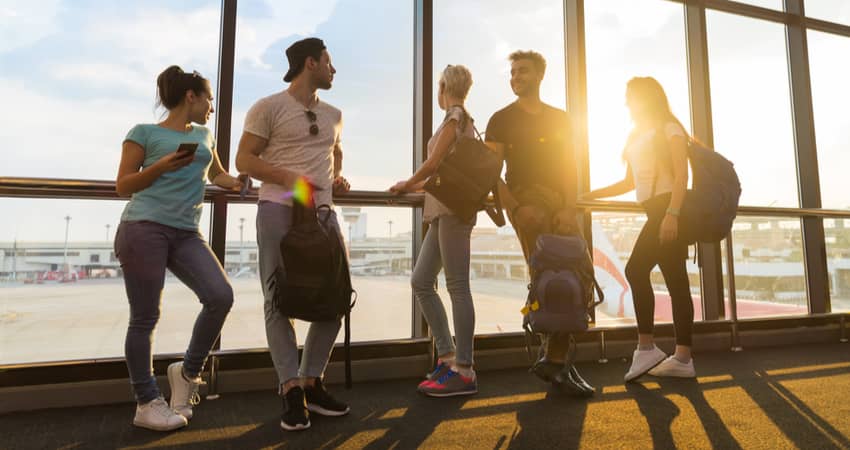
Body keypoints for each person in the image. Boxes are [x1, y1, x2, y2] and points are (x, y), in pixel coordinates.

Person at [115, 66, 243, 431]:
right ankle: (146, 402)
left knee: (220, 295)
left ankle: (187, 373)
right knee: (144, 317)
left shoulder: (204, 135)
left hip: (186, 232)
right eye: (210, 100)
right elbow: (123, 185)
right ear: (192, 97)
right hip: (144, 227)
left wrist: (235, 183)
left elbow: (216, 174)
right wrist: (164, 164)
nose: (212, 109)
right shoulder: (144, 132)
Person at [235, 37, 352, 432]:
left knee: (336, 297)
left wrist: (336, 176)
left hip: (322, 215)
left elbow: (335, 151)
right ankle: (289, 388)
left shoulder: (335, 114)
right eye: (329, 62)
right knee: (278, 299)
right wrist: (287, 177)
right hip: (278, 211)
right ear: (310, 63)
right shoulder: (267, 107)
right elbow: (244, 159)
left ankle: (310, 380)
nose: (334, 70)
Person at [484, 50, 593, 395]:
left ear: (540, 76)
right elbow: (491, 172)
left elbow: (570, 167)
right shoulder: (501, 119)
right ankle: (557, 362)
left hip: (560, 204)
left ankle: (556, 360)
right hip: (527, 203)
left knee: (581, 272)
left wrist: (569, 207)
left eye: (522, 71)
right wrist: (516, 210)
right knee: (547, 278)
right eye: (512, 72)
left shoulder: (560, 118)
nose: (515, 77)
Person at [580, 76, 696, 381]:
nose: (627, 102)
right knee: (676, 282)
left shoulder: (669, 128)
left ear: (647, 97)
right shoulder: (636, 135)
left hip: (666, 210)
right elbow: (629, 182)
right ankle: (682, 358)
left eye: (631, 96)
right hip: (654, 210)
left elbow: (682, 176)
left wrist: (672, 214)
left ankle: (648, 348)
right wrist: (591, 195)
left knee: (635, 271)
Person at [390, 64, 478, 397]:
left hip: (453, 212)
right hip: (443, 210)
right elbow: (443, 174)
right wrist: (416, 188)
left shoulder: (455, 117)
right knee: (421, 281)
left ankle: (465, 370)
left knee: (457, 285)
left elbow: (432, 165)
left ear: (443, 86)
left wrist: (407, 183)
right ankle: (448, 356)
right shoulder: (458, 120)